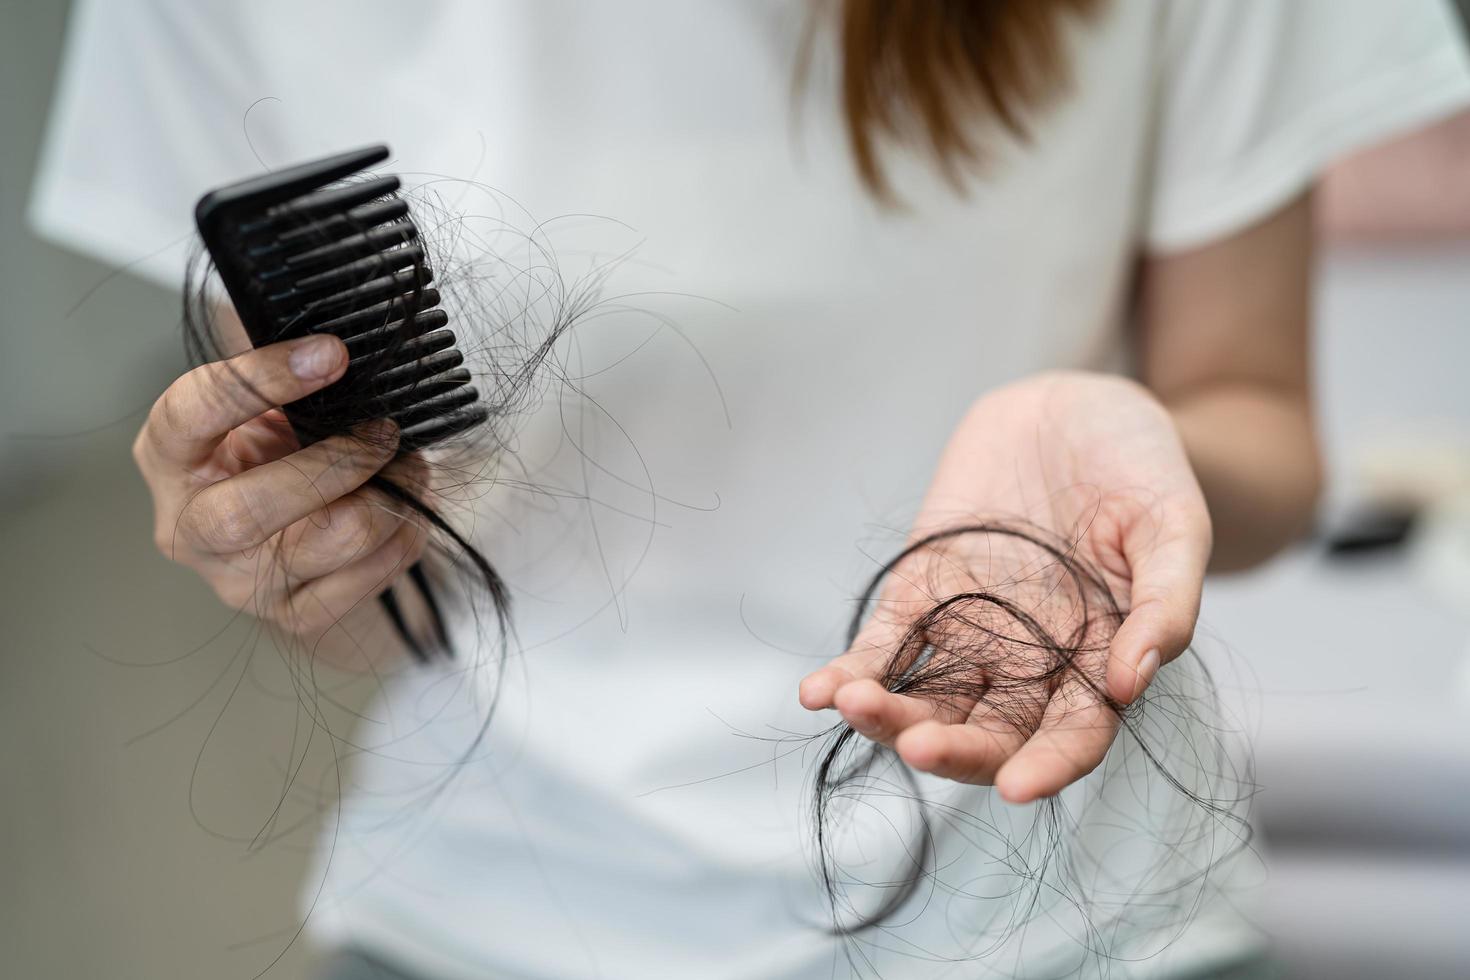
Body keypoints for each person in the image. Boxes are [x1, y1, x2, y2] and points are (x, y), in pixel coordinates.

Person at [30, 1, 1470, 977]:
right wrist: (284, 551)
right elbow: (365, 597)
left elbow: (1261, 433)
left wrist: (1131, 443)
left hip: (1067, 919)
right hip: (492, 913)